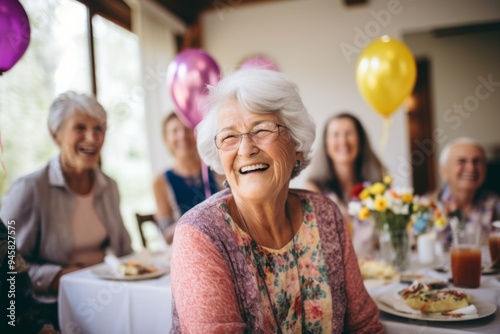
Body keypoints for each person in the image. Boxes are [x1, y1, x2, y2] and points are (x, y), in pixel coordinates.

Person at [170, 69, 383, 333]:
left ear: (295, 144)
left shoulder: (325, 215)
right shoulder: (201, 234)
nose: (246, 149)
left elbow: (365, 325)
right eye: (229, 137)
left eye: (262, 130)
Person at [0, 91, 133, 329]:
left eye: (99, 129)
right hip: (50, 311)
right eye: (80, 128)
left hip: (106, 301)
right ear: (56, 134)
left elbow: (125, 251)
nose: (92, 138)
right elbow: (7, 268)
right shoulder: (30, 189)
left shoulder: (108, 186)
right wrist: (58, 277)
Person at [305, 113, 385, 258]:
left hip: (377, 270)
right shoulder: (313, 189)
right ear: (326, 144)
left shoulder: (377, 184)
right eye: (335, 135)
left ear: (360, 140)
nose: (343, 141)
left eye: (349, 133)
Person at [152, 112, 220, 244]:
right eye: (175, 131)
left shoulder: (217, 169)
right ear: (166, 139)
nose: (182, 135)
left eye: (187, 129)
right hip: (186, 248)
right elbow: (166, 236)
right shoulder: (160, 182)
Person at [435, 137, 500, 248]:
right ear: (444, 170)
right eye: (461, 161)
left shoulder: (496, 205)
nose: (471, 168)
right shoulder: (425, 207)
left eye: (477, 161)